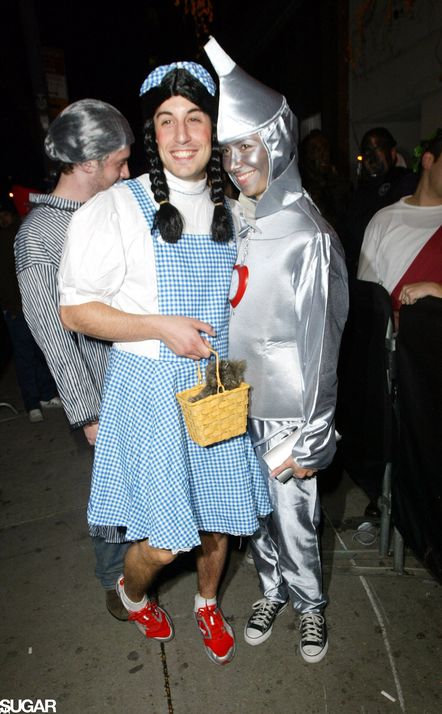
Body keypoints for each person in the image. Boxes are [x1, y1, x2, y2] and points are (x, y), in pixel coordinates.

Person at [57, 61, 271, 666]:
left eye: (195, 119)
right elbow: (75, 312)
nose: (182, 135)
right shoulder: (116, 208)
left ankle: (207, 604)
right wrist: (158, 326)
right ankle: (130, 591)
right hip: (150, 388)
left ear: (213, 129)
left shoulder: (238, 207)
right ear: (151, 133)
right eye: (166, 121)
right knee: (162, 541)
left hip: (218, 382)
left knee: (220, 515)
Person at [204, 37, 349, 663]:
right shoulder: (242, 220)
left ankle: (310, 602)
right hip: (240, 396)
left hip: (291, 405)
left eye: (246, 148)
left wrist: (315, 432)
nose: (236, 163)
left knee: (294, 515)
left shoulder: (308, 236)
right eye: (228, 153)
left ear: (278, 143)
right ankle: (272, 589)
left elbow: (321, 341)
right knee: (255, 509)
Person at [14, 99, 134, 620]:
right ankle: (114, 579)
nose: (126, 173)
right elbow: (50, 331)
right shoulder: (40, 234)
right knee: (113, 491)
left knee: (142, 483)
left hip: (136, 372)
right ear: (88, 164)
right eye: (118, 163)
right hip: (100, 392)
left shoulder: (106, 210)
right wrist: (86, 412)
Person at [358, 129, 442, 329]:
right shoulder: (383, 220)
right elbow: (367, 296)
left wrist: (435, 289)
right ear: (428, 161)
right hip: (393, 353)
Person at [0, 199, 61, 423]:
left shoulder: (23, 233)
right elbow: (4, 278)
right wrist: (12, 308)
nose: (3, 219)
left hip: (33, 304)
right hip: (16, 310)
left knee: (41, 352)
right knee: (25, 357)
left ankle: (47, 395)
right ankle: (32, 404)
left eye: (6, 215)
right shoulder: (1, 240)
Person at [343, 127, 418, 278]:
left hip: (389, 268)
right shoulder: (359, 189)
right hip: (359, 270)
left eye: (376, 149)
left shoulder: (405, 180)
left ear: (392, 152)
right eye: (366, 151)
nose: (370, 157)